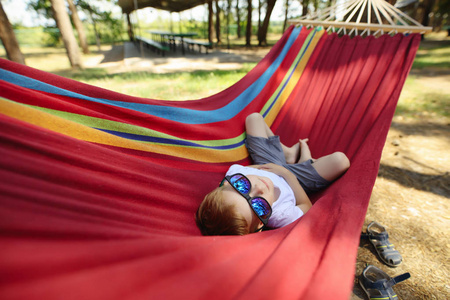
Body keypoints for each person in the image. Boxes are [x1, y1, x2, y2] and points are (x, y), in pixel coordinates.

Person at [195, 113, 350, 236]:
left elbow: (251, 169)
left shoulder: (235, 173)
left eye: (241, 186)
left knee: (254, 119)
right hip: (296, 181)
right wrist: (287, 175)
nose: (259, 188)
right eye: (259, 206)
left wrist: (265, 167)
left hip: (267, 163)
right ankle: (304, 160)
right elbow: (306, 206)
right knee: (340, 161)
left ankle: (288, 153)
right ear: (261, 223)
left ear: (228, 182)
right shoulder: (280, 216)